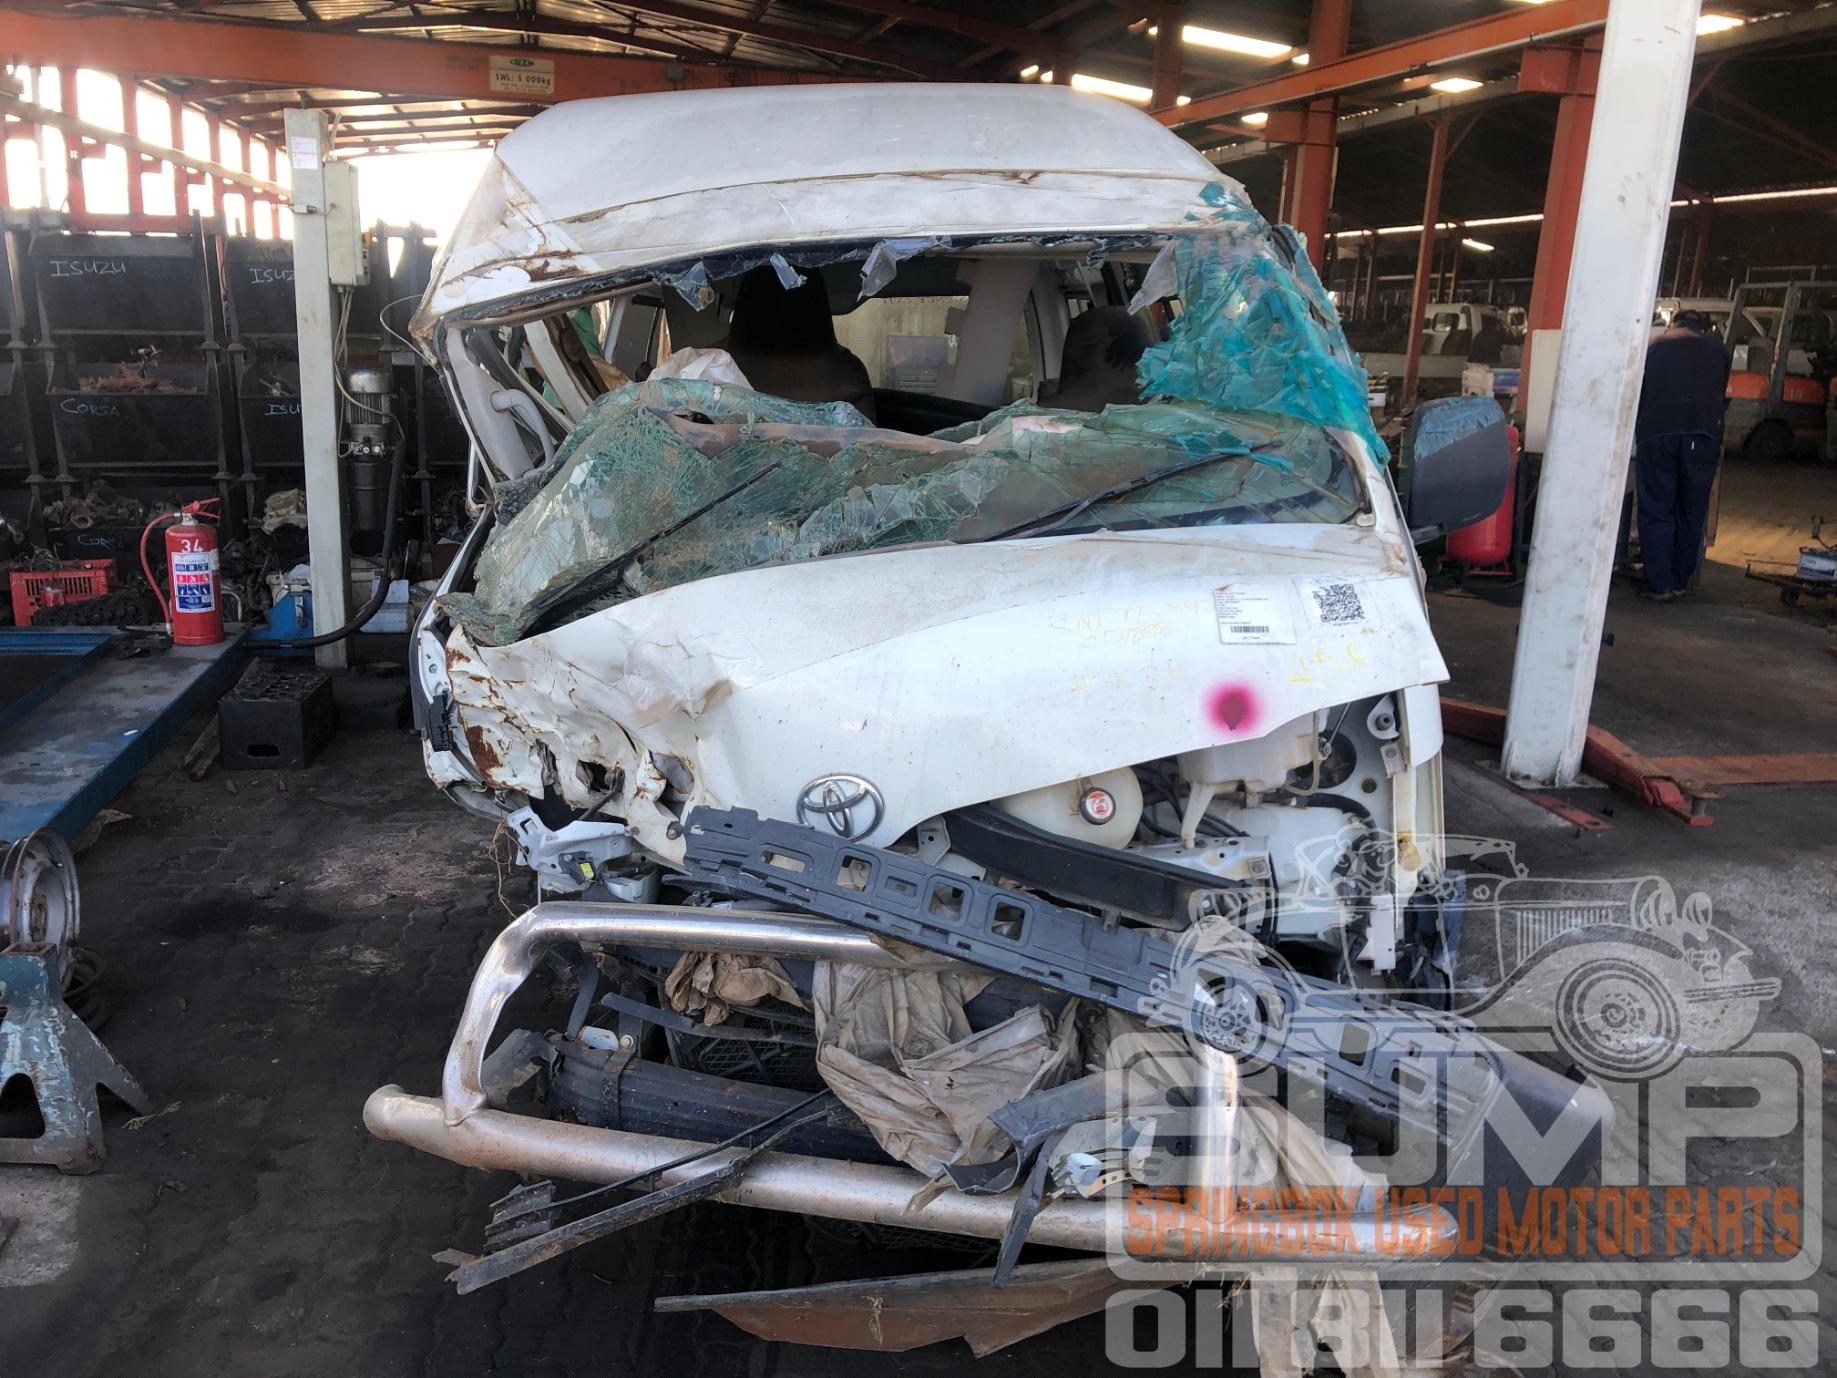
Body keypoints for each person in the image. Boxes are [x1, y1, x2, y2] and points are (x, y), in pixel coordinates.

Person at [1633, 309, 1730, 601]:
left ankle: (1659, 583)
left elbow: (1640, 391)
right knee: (1692, 508)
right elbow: (1721, 392)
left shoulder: (1655, 346)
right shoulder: (1718, 350)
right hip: (1703, 434)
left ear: (1672, 324)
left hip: (1658, 433)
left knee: (1656, 506)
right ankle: (1679, 581)